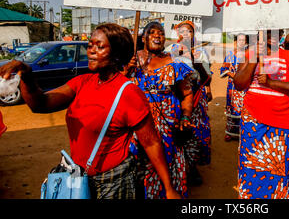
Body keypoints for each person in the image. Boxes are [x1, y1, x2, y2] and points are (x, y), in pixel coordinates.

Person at [0, 23, 180, 199]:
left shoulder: (129, 93)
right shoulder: (82, 82)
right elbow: (41, 104)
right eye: (90, 45)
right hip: (80, 177)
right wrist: (27, 74)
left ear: (116, 55)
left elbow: (151, 143)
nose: (91, 51)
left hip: (114, 183)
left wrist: (169, 188)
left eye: (100, 47)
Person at [233, 29, 289, 199]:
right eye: (267, 34)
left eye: (276, 33)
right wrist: (255, 58)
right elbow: (239, 84)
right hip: (253, 121)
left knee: (281, 167)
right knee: (253, 166)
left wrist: (271, 83)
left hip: (282, 121)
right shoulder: (250, 53)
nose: (272, 37)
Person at [123, 21, 193, 199]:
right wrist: (125, 72)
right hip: (138, 126)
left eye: (161, 33)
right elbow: (114, 90)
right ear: (143, 38)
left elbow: (186, 94)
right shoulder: (130, 60)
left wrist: (185, 116)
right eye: (152, 32)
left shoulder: (173, 62)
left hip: (168, 128)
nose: (157, 35)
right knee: (140, 166)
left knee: (168, 163)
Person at [167, 20, 212, 186]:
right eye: (182, 31)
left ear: (194, 34)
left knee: (195, 135)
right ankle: (176, 169)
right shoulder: (170, 50)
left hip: (196, 100)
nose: (186, 34)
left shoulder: (201, 51)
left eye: (189, 31)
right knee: (176, 134)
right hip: (175, 100)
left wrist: (194, 60)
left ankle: (192, 168)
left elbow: (207, 78)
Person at [220, 33, 248, 141]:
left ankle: (242, 133)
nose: (241, 42)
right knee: (231, 108)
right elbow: (223, 69)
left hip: (244, 87)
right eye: (239, 40)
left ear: (246, 42)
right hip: (232, 87)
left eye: (243, 40)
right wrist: (234, 76)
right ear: (236, 42)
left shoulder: (249, 55)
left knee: (244, 109)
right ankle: (229, 132)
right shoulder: (230, 55)